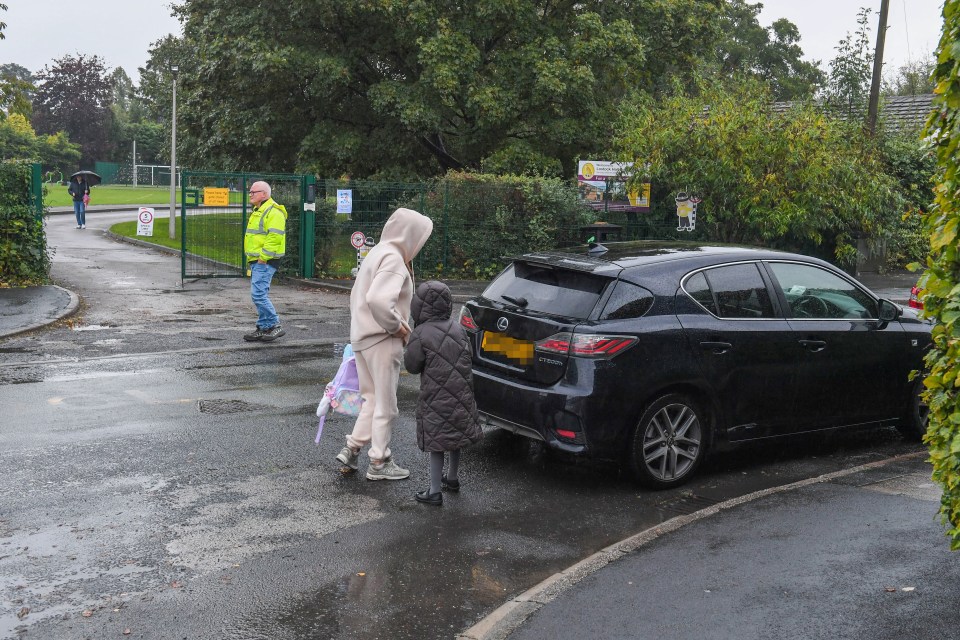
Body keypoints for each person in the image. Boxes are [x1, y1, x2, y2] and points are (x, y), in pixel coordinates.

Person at [336, 207, 433, 481]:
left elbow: (359, 296)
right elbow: (378, 300)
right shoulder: (394, 260)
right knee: (387, 406)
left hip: (362, 337)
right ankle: (379, 461)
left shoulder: (377, 252)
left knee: (372, 399)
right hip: (382, 339)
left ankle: (352, 447)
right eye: (420, 238)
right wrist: (400, 329)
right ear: (410, 235)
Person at [403, 280, 482, 506]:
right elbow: (469, 355)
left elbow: (412, 366)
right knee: (455, 435)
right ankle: (453, 478)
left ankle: (434, 491)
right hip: (462, 392)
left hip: (436, 396)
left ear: (419, 306)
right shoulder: (458, 328)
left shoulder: (421, 333)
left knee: (438, 440)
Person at [243, 181, 287, 342]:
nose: (251, 194)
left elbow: (274, 237)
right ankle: (263, 327)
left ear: (264, 194)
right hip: (258, 260)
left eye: (253, 192)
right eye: (250, 192)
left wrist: (263, 257)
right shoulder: (260, 210)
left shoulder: (273, 212)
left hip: (265, 261)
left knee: (258, 295)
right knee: (259, 294)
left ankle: (274, 324)